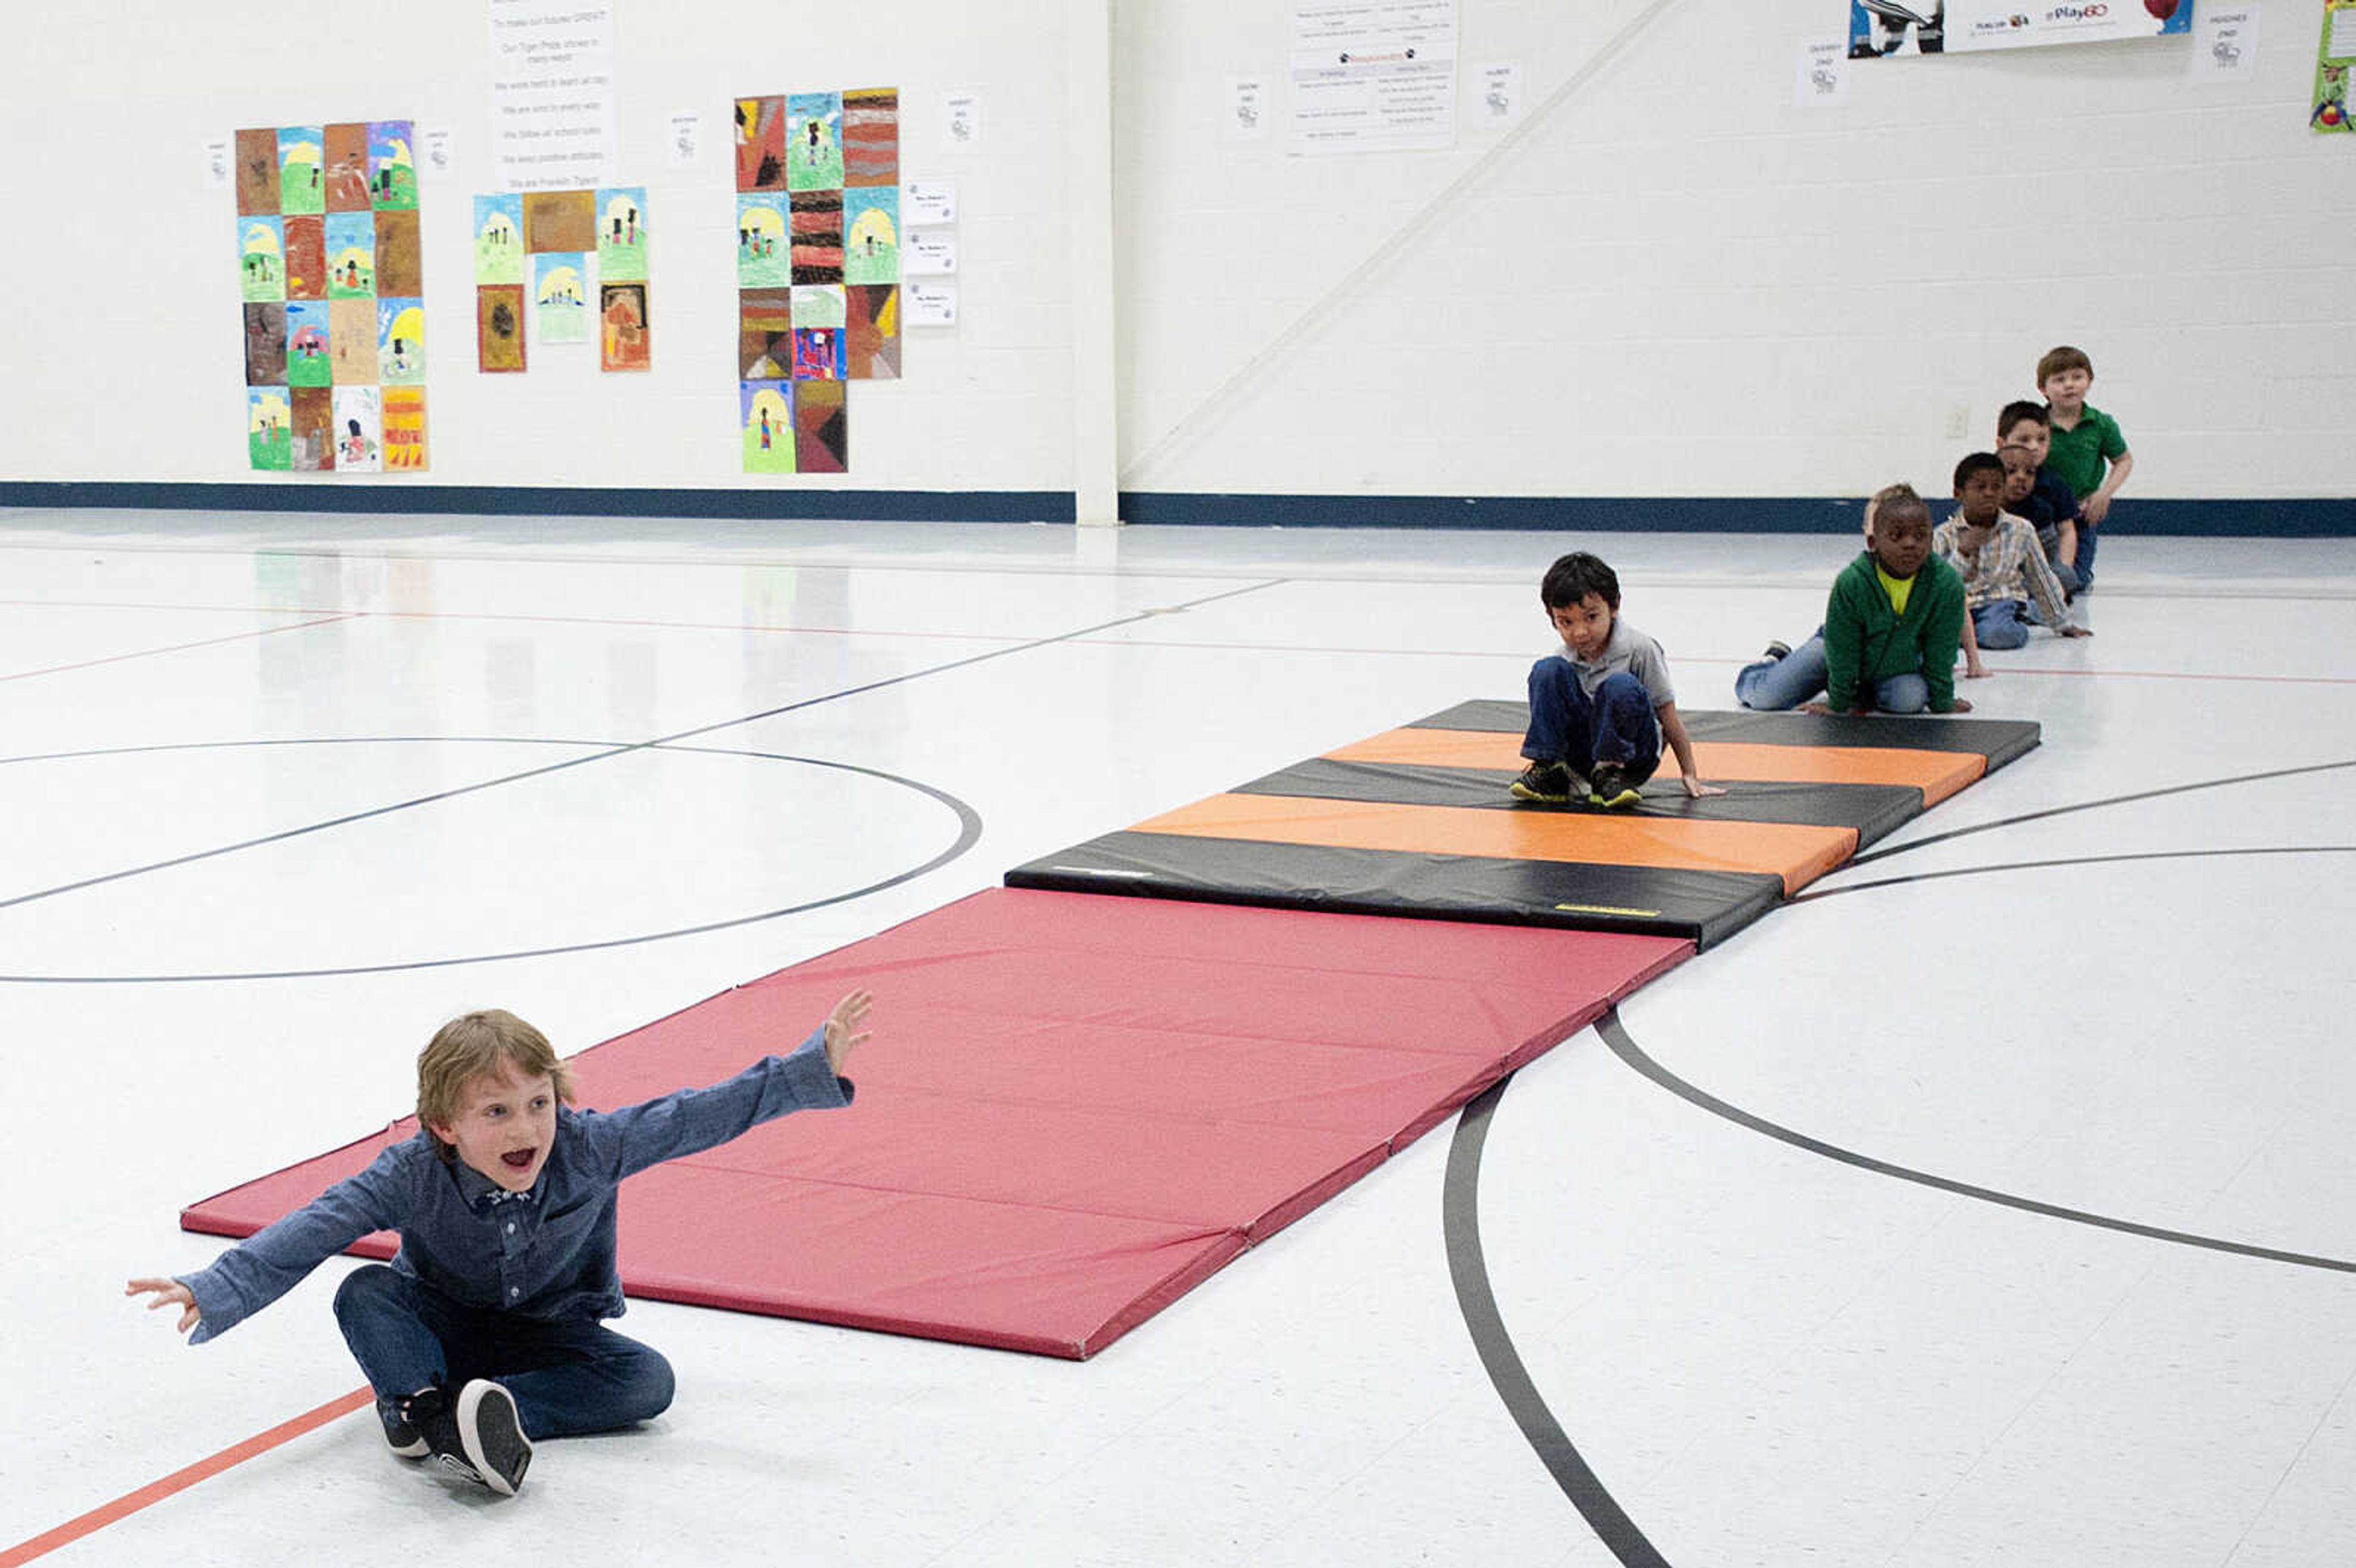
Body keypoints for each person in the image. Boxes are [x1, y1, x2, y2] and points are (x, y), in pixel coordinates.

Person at [128, 991, 873, 1499]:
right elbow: (313, 1227)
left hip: (546, 1335)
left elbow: (692, 1117)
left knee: (649, 1382)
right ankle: (420, 1405)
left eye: (538, 1104)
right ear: (446, 1127)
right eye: (497, 1112)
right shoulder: (411, 1172)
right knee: (364, 1292)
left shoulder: (590, 1147)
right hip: (440, 1324)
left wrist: (805, 1071)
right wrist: (215, 1286)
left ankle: (486, 1411)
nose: (526, 1130)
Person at [1736, 483, 1973, 715]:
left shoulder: (1945, 583)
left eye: (1919, 535)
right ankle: (1771, 663)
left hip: (1898, 664)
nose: (1910, 544)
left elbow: (1941, 649)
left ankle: (1863, 691)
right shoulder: (1853, 582)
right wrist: (1838, 703)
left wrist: (1943, 701)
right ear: (1873, 540)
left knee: (1909, 700)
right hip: (1836, 651)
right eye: (1897, 534)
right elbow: (1842, 650)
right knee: (1766, 698)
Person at [1509, 551, 1723, 809]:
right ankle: (1549, 770)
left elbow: (1668, 716)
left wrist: (1689, 773)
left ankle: (1611, 774)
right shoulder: (1563, 660)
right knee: (1547, 670)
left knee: (1619, 685)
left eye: (1591, 617)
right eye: (1566, 622)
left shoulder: (1640, 649)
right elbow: (1553, 716)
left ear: (1614, 606)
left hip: (1632, 757)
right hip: (1584, 755)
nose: (1580, 632)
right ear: (1552, 618)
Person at [1933, 452, 2090, 667]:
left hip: (1998, 602)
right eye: (1980, 488)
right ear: (1958, 494)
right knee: (1933, 634)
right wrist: (1963, 551)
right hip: (1957, 607)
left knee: (2000, 634)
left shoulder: (2021, 529)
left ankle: (2019, 617)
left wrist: (2061, 623)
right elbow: (1937, 584)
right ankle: (1969, 634)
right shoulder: (1943, 535)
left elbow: (2041, 577)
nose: (1989, 494)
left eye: (1996, 487)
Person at [2037, 345, 2133, 592]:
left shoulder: (2101, 424)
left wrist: (2104, 494)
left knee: (2075, 580)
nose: (2069, 385)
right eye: (2059, 380)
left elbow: (2124, 460)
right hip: (2043, 514)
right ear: (2043, 389)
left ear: (2089, 381)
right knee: (2037, 575)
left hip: (2082, 514)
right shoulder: (2037, 424)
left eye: (2077, 377)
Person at [1995, 401, 2081, 595]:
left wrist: (2063, 567)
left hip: (2040, 563)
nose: (2034, 447)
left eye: (2042, 439)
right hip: (1997, 562)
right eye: (2024, 440)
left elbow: (2067, 531)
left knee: (2069, 578)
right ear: (2001, 444)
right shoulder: (1989, 476)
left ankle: (2030, 597)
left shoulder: (2055, 483)